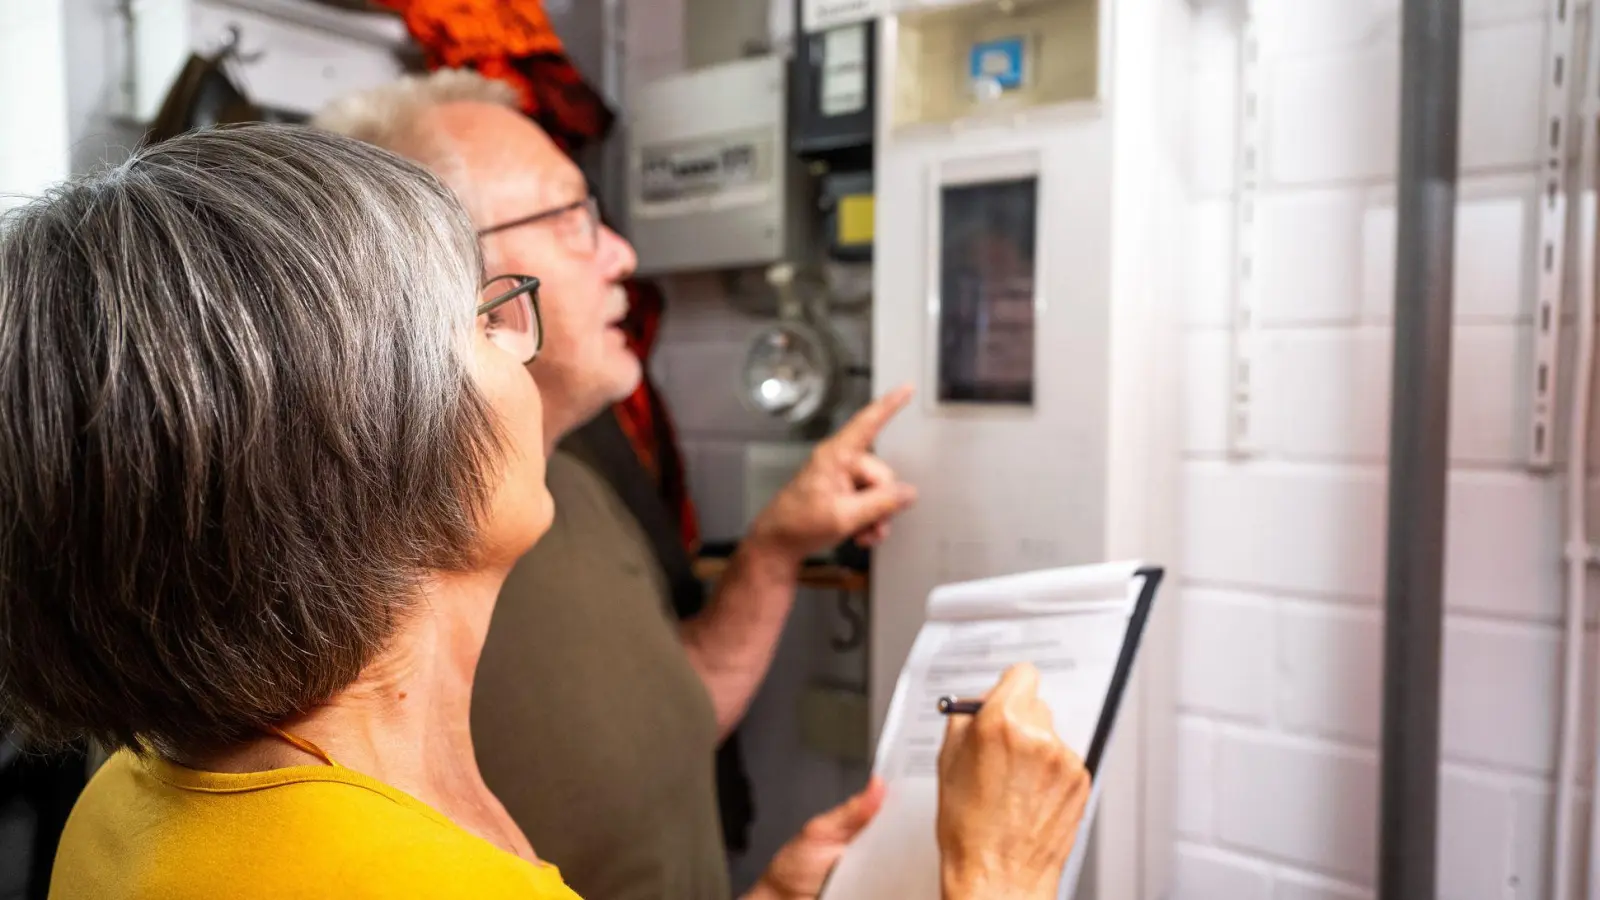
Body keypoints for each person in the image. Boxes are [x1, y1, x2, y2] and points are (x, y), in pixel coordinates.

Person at [0, 123, 1088, 900]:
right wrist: (997, 877)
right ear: (371, 447)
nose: (515, 354)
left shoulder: (128, 801)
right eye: (480, 324)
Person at [315, 71, 921, 900]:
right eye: (571, 219)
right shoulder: (343, 586)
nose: (622, 255)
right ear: (439, 278)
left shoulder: (572, 481)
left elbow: (675, 716)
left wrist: (777, 549)